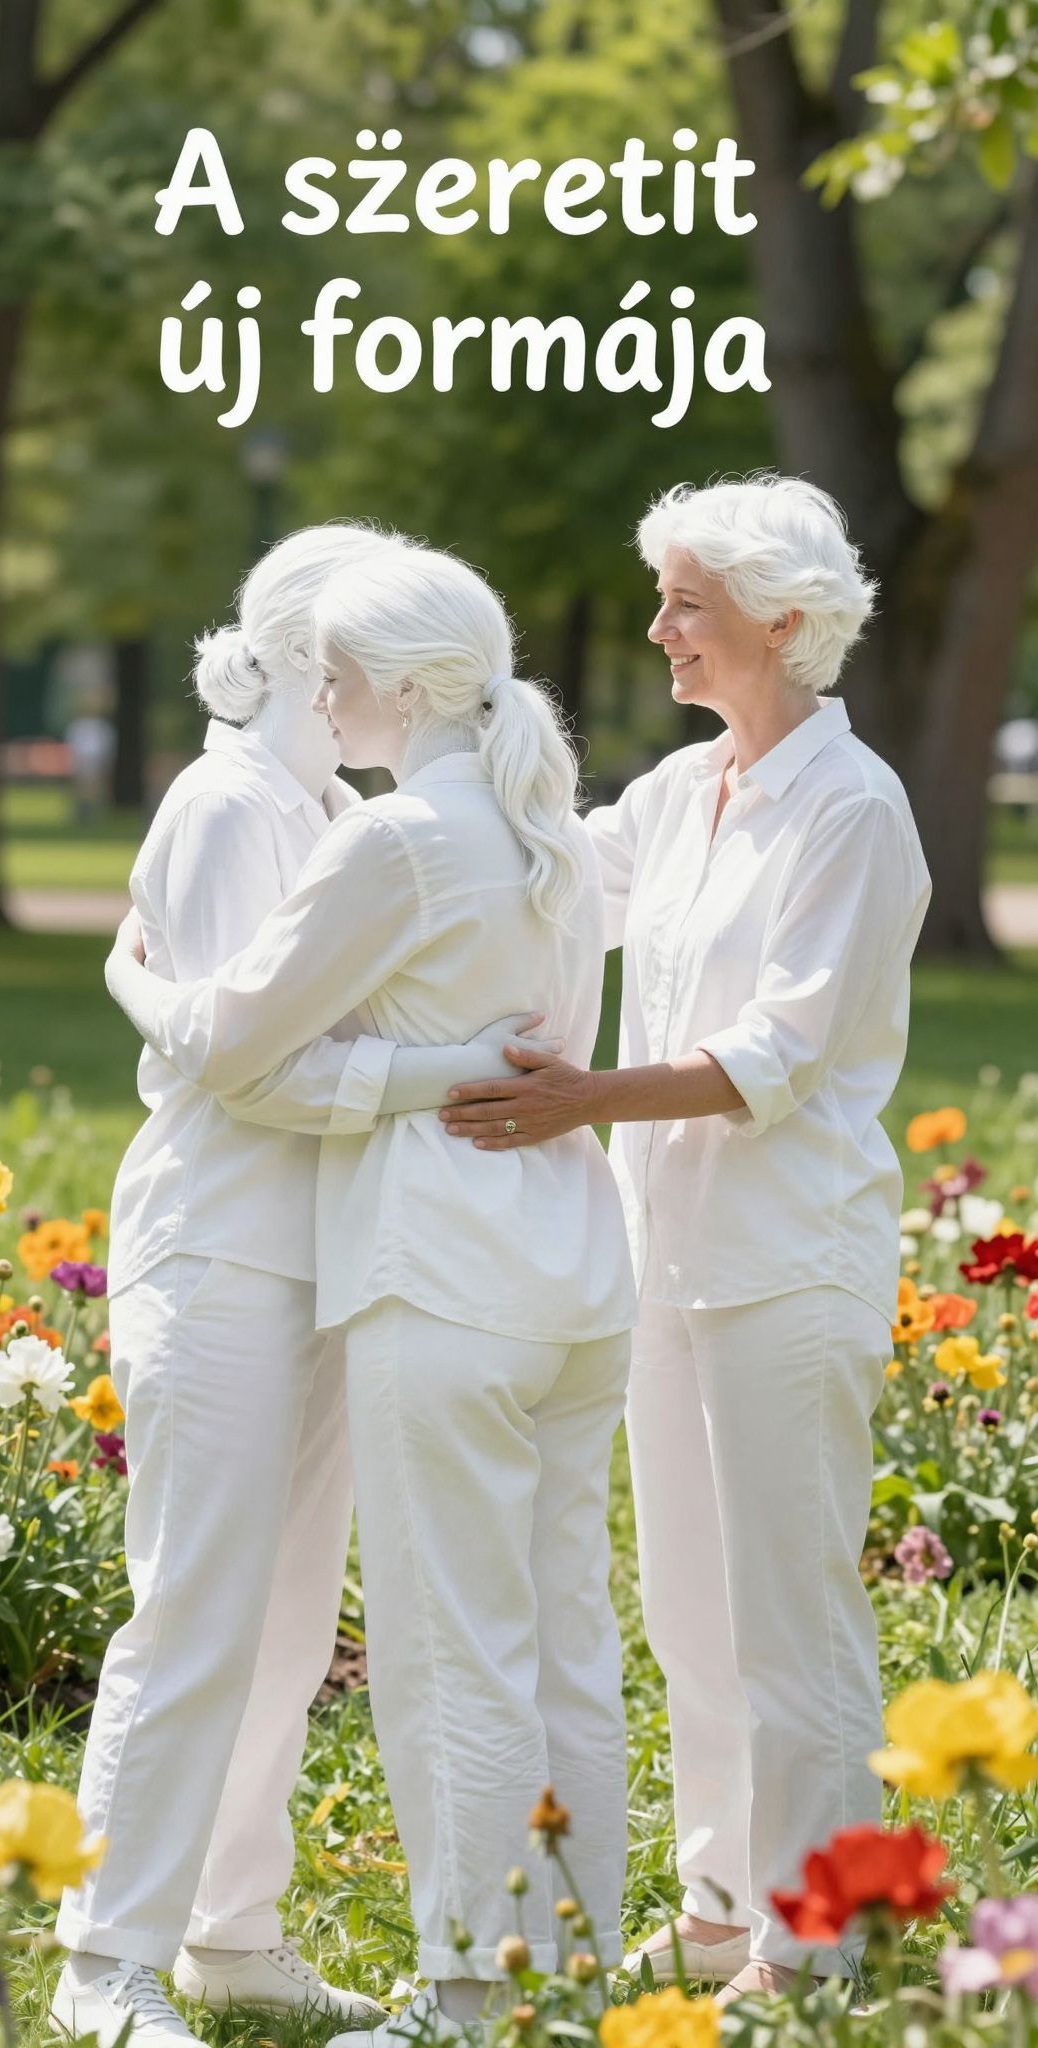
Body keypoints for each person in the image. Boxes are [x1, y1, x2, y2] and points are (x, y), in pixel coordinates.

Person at [104, 545, 638, 2048]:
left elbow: (226, 1046)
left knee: (447, 1650)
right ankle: (565, 1975)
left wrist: (130, 979)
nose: (315, 693)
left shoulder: (391, 837)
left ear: (404, 685)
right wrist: (465, 1066)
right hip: (567, 1269)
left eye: (339, 673)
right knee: (562, 1644)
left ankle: (471, 1996)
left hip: (437, 1274)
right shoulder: (551, 830)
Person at [438, 476, 932, 2000]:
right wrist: (381, 838)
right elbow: (543, 889)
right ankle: (728, 1902)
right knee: (691, 1614)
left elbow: (772, 1055)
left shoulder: (854, 810)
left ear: (780, 621)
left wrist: (582, 1099)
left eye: (685, 604)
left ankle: (830, 1934)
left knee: (791, 1617)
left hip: (789, 1261)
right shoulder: (679, 790)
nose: (660, 630)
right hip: (670, 1258)